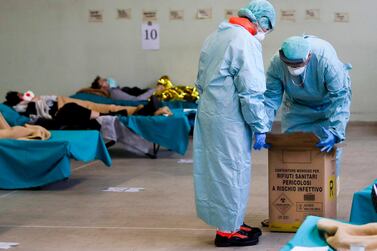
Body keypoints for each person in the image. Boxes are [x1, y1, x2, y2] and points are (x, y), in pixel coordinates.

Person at [193, 0, 276, 247]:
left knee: (217, 171)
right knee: (233, 171)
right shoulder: (245, 41)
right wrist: (260, 125)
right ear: (261, 22)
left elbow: (199, 80)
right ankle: (228, 232)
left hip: (209, 113)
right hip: (229, 117)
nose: (266, 32)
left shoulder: (216, 36)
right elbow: (250, 90)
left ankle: (232, 221)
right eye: (268, 27)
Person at [264, 35, 352, 195]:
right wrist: (261, 128)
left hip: (328, 107)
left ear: (309, 57)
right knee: (292, 150)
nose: (293, 68)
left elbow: (340, 99)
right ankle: (297, 202)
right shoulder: (277, 63)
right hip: (297, 108)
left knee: (329, 154)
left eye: (298, 64)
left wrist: (335, 132)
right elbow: (271, 98)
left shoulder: (326, 61)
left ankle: (328, 200)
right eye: (289, 64)